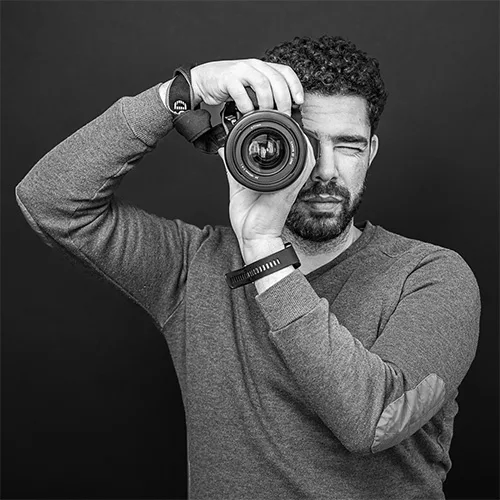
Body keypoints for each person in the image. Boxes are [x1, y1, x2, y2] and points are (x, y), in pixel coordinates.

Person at [15, 35, 480, 500]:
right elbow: (50, 201)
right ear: (259, 139)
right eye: (305, 142)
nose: (324, 169)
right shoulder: (193, 268)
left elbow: (376, 423)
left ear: (372, 152)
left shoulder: (433, 276)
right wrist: (182, 93)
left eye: (349, 146)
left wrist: (263, 249)